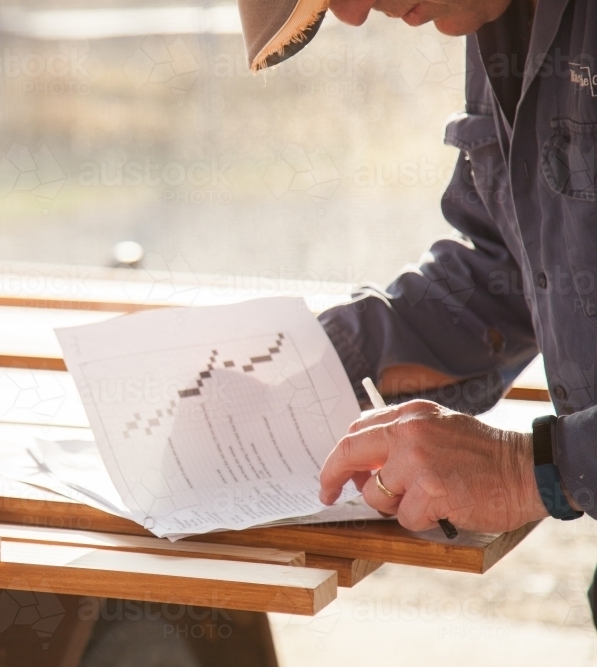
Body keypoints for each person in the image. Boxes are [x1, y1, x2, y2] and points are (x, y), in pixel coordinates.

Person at [239, 0, 597, 616]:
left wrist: (536, 467)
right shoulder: (497, 17)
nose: (351, 17)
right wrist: (335, 357)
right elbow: (517, 263)